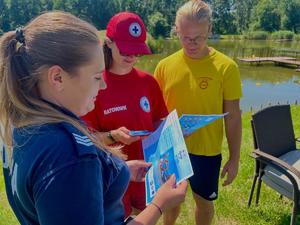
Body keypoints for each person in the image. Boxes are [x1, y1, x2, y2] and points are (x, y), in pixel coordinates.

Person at [0, 11, 187, 225]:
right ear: (57, 77)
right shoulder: (70, 156)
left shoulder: (21, 124)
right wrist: (159, 205)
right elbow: (68, 175)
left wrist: (116, 171)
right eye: (97, 77)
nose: (104, 84)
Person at [154, 1, 242, 225]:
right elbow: (156, 114)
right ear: (176, 30)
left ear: (210, 30)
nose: (192, 44)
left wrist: (234, 158)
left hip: (207, 151)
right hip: (173, 150)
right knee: (171, 203)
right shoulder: (164, 66)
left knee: (204, 203)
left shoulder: (226, 67)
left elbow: (232, 117)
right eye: (185, 37)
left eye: (199, 37)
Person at [81, 12, 170, 220]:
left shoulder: (149, 82)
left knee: (147, 216)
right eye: (126, 50)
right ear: (109, 43)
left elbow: (158, 120)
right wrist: (113, 136)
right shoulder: (94, 84)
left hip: (146, 170)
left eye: (137, 51)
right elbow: (85, 139)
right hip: (111, 175)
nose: (132, 57)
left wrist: (173, 131)